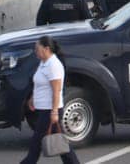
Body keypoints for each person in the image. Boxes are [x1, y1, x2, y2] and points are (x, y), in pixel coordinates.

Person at [18, 35, 82, 164]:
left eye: (37, 48)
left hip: (50, 110)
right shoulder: (43, 63)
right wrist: (32, 98)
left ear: (46, 49)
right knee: (61, 146)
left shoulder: (54, 65)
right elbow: (39, 83)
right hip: (44, 109)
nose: (35, 51)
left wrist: (54, 112)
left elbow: (56, 90)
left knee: (36, 143)